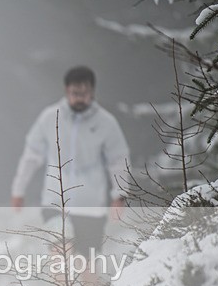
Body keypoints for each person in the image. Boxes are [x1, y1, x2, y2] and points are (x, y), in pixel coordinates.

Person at [10, 66, 130, 258]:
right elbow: (31, 156)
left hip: (90, 203)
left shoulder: (106, 122)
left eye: (85, 93)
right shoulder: (50, 117)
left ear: (92, 92)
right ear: (67, 91)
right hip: (54, 200)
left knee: (87, 262)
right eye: (75, 93)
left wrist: (120, 195)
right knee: (59, 254)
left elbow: (118, 159)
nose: (80, 98)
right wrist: (18, 190)